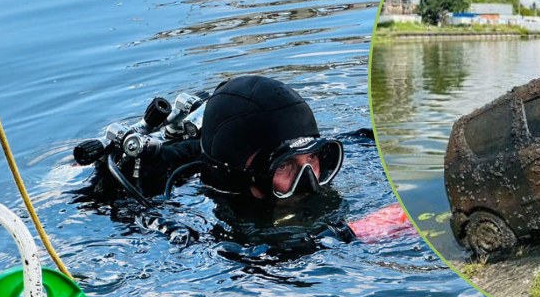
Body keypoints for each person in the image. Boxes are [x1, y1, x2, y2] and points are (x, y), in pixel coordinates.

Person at [78, 75, 413, 244]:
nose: (309, 181)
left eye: (313, 158)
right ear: (240, 176)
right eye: (284, 166)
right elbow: (264, 261)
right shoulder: (202, 225)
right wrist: (359, 231)